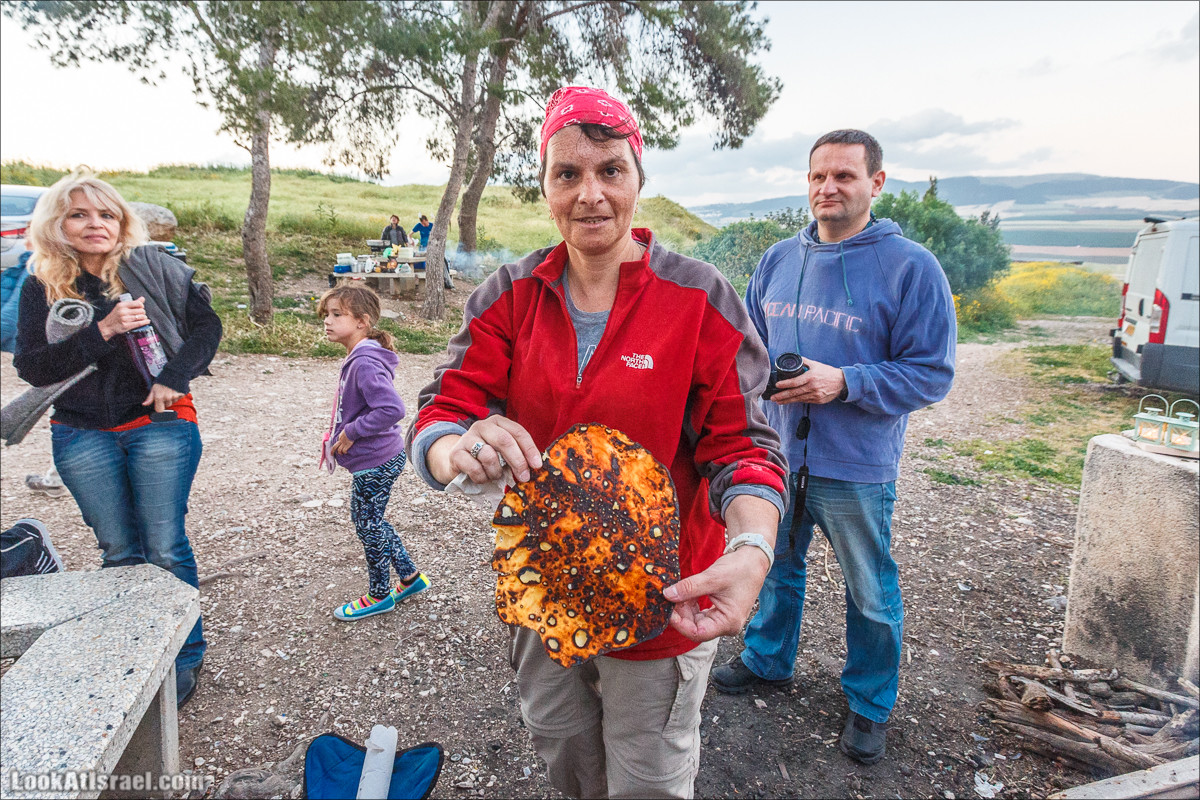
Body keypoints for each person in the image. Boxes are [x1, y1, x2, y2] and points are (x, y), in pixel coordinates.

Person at [407, 86, 788, 799]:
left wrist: (753, 549)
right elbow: (444, 408)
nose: (590, 194)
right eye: (568, 173)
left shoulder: (700, 298)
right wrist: (455, 449)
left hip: (665, 604)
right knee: (567, 756)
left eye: (610, 169)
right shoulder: (510, 295)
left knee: (647, 777)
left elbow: (744, 447)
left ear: (639, 180)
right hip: (541, 589)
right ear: (546, 185)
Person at [711, 129, 956, 765]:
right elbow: (751, 349)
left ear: (876, 183)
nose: (828, 188)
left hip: (857, 464)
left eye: (845, 176)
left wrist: (843, 382)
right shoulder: (777, 259)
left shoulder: (912, 267)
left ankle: (870, 702)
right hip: (778, 453)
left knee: (869, 588)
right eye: (819, 176)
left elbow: (933, 372)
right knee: (775, 565)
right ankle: (767, 659)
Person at [13, 169, 222, 708]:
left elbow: (207, 327)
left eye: (106, 214)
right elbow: (33, 368)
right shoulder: (42, 284)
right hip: (80, 432)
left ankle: (183, 657)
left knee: (165, 546)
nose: (94, 224)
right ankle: (134, 654)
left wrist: (174, 378)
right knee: (118, 551)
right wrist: (102, 330)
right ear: (58, 223)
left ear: (122, 221)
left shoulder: (150, 268)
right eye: (79, 214)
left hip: (157, 425)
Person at [318, 285, 429, 620]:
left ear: (362, 322)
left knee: (367, 524)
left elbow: (392, 408)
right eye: (327, 314)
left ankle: (379, 594)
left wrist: (352, 432)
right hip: (376, 458)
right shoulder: (360, 357)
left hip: (376, 460)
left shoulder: (364, 362)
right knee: (372, 520)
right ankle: (409, 578)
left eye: (337, 315)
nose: (328, 321)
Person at [1, 238, 69, 498]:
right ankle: (56, 476)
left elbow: (9, 315)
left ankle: (55, 477)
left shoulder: (40, 267)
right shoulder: (31, 266)